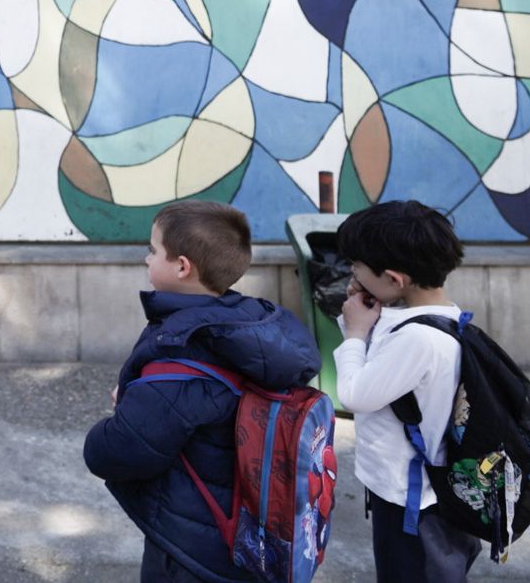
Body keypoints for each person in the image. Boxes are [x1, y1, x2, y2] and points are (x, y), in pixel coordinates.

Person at [82, 200, 319, 583]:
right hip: (247, 531)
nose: (146, 259)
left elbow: (119, 451)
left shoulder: (182, 349)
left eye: (153, 250)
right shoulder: (248, 326)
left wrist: (118, 415)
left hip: (193, 551)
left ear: (182, 266)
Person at [333, 201, 478, 582]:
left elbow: (354, 393)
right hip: (420, 490)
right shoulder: (442, 318)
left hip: (413, 501)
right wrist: (361, 321)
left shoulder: (418, 339)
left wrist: (355, 333)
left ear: (395, 280)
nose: (353, 272)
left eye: (357, 266)